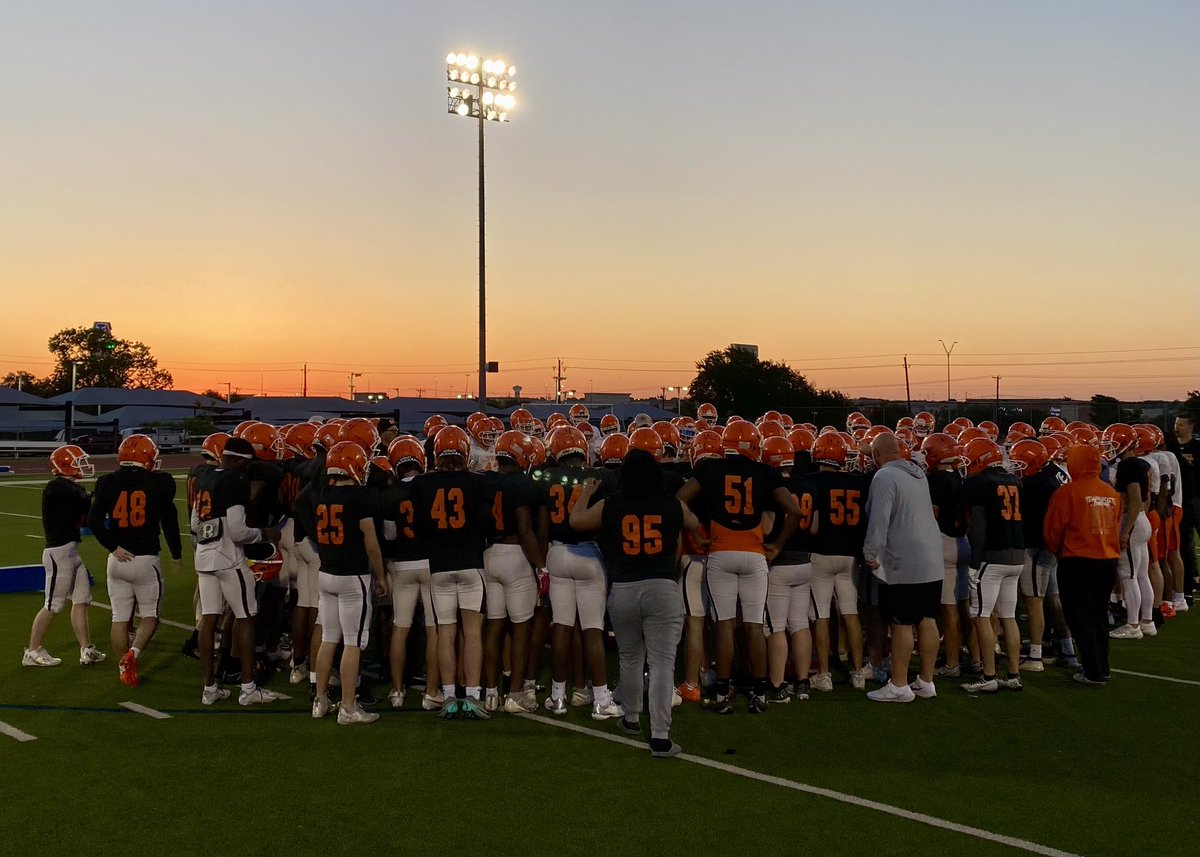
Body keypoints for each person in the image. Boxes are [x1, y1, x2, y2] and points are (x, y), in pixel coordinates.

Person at [570, 448, 706, 757]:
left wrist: (585, 493)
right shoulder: (673, 505)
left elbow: (576, 521)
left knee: (630, 658)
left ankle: (631, 718)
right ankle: (660, 735)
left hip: (625, 587)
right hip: (662, 586)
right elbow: (695, 525)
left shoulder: (610, 505)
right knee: (661, 664)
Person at [677, 421, 802, 714]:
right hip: (755, 553)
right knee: (755, 627)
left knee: (724, 626)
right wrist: (778, 545)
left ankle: (722, 695)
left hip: (720, 552)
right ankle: (759, 693)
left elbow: (679, 500)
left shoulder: (710, 470)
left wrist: (695, 532)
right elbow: (794, 511)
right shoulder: (765, 472)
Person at [536, 425, 622, 719]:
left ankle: (558, 697)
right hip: (588, 553)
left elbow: (542, 524)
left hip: (557, 552)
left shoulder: (547, 478)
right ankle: (600, 698)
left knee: (561, 626)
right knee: (593, 629)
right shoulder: (602, 477)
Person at [191, 436, 283, 706]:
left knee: (209, 621)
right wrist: (264, 534)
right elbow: (238, 530)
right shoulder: (236, 479)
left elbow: (196, 523)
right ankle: (248, 688)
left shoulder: (205, 477)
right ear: (239, 460)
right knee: (246, 618)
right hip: (229, 558)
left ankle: (209, 688)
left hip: (204, 556)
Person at [412, 425, 495, 720]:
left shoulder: (421, 484)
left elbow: (419, 527)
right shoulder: (479, 482)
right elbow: (488, 524)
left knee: (445, 632)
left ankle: (448, 696)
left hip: (439, 566)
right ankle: (472, 695)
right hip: (471, 563)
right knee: (472, 632)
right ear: (465, 450)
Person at [88, 434, 182, 688]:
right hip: (146, 559)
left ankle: (122, 665)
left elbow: (94, 521)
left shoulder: (106, 482)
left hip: (117, 561)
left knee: (119, 618)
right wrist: (177, 553)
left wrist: (113, 546)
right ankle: (134, 654)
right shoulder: (160, 483)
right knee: (150, 616)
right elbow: (169, 521)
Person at [309, 441, 389, 724]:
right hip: (352, 576)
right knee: (353, 642)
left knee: (329, 639)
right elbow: (371, 544)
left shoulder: (321, 494)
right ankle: (348, 706)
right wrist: (380, 576)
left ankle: (320, 700)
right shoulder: (360, 496)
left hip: (326, 573)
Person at [861, 434, 944, 702]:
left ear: (876, 455)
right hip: (931, 557)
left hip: (903, 559)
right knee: (928, 619)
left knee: (901, 623)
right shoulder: (918, 473)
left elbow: (879, 518)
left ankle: (899, 685)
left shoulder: (884, 477)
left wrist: (871, 552)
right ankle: (926, 681)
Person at [1044, 443, 1123, 686]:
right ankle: (1102, 667)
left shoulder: (1067, 492)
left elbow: (1052, 530)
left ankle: (1093, 670)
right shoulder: (1110, 492)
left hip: (1077, 560)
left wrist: (1059, 554)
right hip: (1108, 559)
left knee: (1079, 617)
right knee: (1099, 615)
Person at [481, 431, 545, 713]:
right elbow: (524, 528)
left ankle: (491, 693)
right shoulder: (523, 483)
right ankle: (515, 695)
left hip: (489, 554)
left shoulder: (485, 481)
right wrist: (540, 565)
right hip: (514, 554)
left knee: (494, 626)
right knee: (521, 629)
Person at [24, 445, 105, 669]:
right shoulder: (57, 486)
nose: (83, 465)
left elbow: (86, 517)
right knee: (53, 604)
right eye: (79, 461)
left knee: (81, 599)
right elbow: (81, 499)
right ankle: (32, 651)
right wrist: (101, 491)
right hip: (58, 553)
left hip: (70, 552)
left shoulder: (69, 488)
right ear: (66, 464)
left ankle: (86, 649)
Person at [960, 438, 1025, 693]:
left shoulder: (979, 483)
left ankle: (988, 676)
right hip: (1016, 555)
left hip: (992, 556)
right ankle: (1013, 674)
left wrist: (975, 561)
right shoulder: (1015, 481)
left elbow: (977, 528)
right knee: (1008, 616)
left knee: (981, 615)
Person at [1104, 424, 1152, 640]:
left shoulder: (1128, 466)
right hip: (1142, 519)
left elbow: (1133, 500)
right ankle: (1146, 621)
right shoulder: (1142, 464)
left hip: (1131, 521)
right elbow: (1145, 499)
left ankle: (1133, 625)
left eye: (1114, 443)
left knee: (1128, 575)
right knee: (1141, 574)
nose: (1110, 448)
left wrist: (1125, 530)